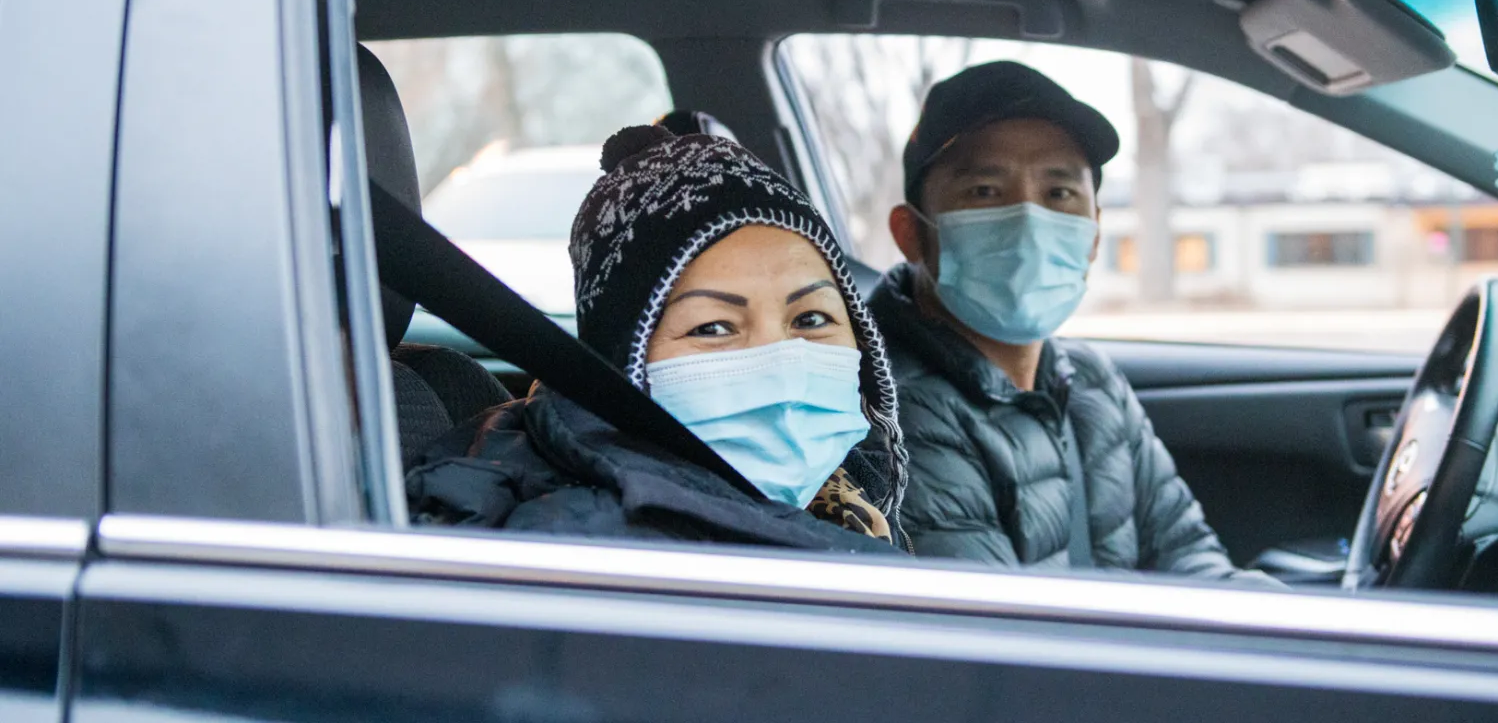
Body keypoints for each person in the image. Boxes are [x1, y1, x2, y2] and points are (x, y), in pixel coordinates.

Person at [408, 125, 908, 555]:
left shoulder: (847, 501)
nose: (782, 359)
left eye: (812, 319)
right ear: (625, 364)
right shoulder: (607, 556)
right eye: (712, 327)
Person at [870, 61, 1270, 582]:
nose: (1029, 221)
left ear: (1094, 233)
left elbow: (1187, 552)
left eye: (1059, 194)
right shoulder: (893, 413)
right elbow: (1000, 640)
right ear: (912, 235)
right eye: (985, 192)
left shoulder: (1091, 381)